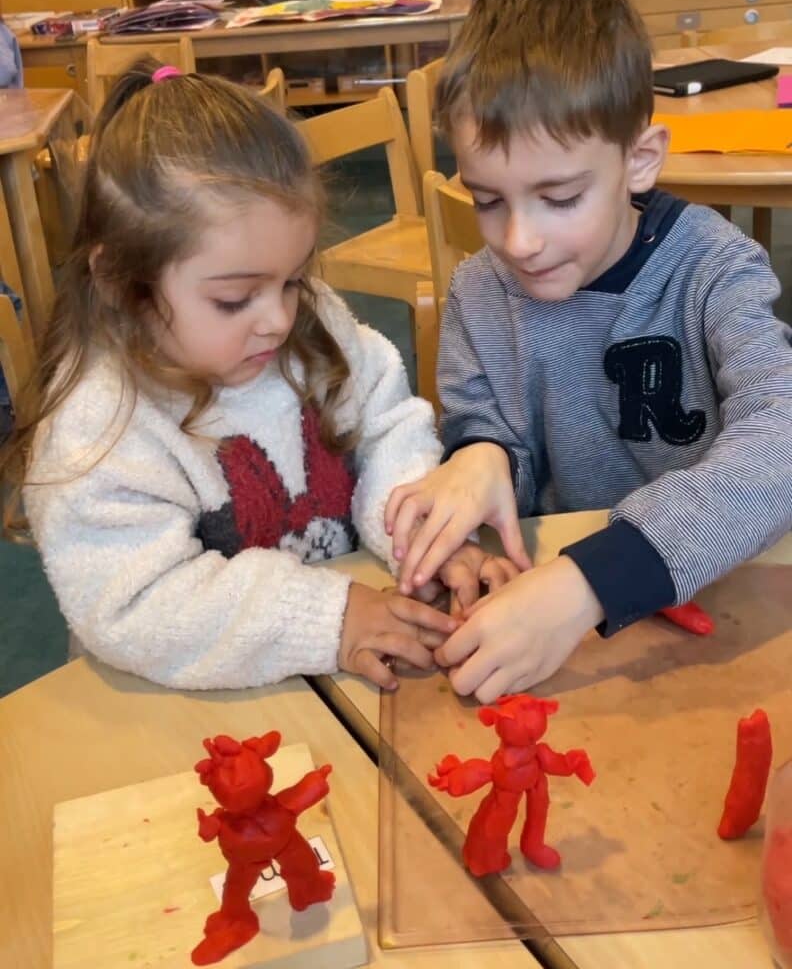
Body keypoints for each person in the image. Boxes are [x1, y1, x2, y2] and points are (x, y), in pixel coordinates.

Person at [1, 60, 517, 692]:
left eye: (294, 280)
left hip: (337, 674)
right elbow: (139, 606)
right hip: (182, 706)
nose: (278, 320)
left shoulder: (313, 326)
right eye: (234, 300)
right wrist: (329, 618)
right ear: (119, 284)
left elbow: (386, 431)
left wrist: (424, 539)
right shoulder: (97, 427)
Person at [384, 0, 792, 702]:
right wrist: (479, 456)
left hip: (710, 594)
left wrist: (590, 583)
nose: (519, 241)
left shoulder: (713, 269)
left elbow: (782, 438)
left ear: (640, 161)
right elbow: (490, 430)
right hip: (556, 629)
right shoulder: (480, 290)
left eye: (560, 197)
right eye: (487, 200)